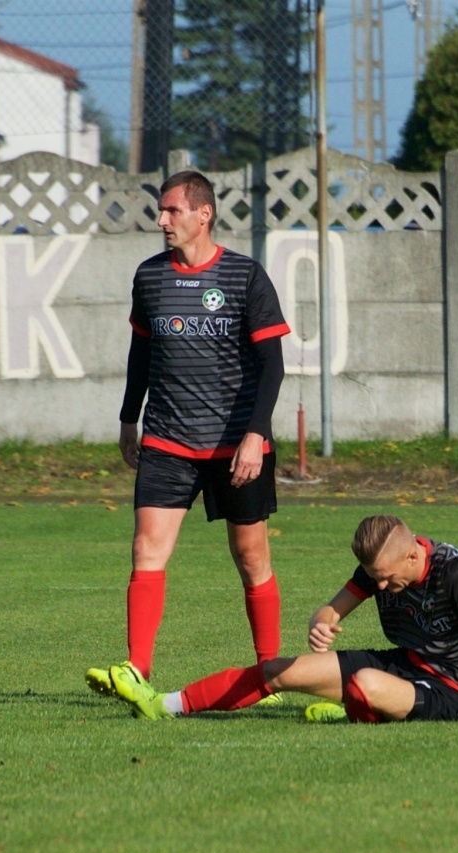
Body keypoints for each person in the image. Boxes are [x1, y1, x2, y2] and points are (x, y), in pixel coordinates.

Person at [85, 170, 289, 701]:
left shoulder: (245, 276)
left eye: (172, 210)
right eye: (161, 210)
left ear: (204, 214)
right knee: (146, 550)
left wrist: (255, 435)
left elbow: (272, 365)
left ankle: (272, 673)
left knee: (251, 557)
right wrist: (129, 418)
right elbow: (141, 355)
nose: (161, 220)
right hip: (167, 440)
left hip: (236, 445)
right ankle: (137, 671)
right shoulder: (149, 277)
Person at [107, 515, 458, 726]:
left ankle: (357, 708)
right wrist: (320, 623)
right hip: (404, 663)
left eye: (388, 577)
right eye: (376, 578)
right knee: (279, 671)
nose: (383, 585)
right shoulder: (378, 571)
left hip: (449, 690)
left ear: (413, 555)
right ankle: (164, 705)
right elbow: (332, 609)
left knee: (366, 686)